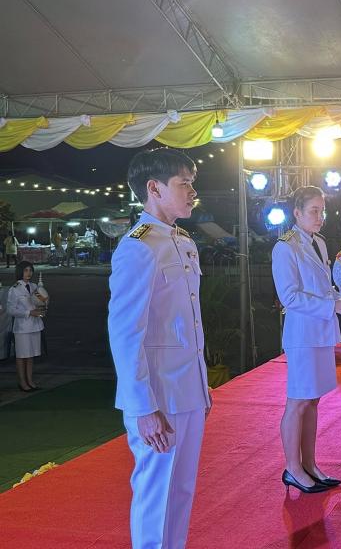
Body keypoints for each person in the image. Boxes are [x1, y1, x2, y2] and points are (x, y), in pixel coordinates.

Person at [108, 148, 211, 549]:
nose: (193, 192)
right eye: (184, 184)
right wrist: (141, 407)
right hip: (158, 397)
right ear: (154, 188)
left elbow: (188, 323)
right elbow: (125, 333)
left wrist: (201, 385)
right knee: (156, 495)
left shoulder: (182, 241)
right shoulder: (139, 246)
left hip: (187, 389)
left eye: (192, 183)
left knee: (181, 491)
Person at [272, 186, 341, 493]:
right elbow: (289, 296)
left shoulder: (319, 243)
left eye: (322, 210)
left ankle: (310, 465)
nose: (320, 217)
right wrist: (334, 306)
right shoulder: (285, 247)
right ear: (296, 213)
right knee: (298, 401)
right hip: (302, 334)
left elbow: (324, 288)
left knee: (313, 400)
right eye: (314, 211)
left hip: (321, 331)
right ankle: (293, 468)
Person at [7, 260, 46, 392]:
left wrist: (43, 307)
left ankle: (30, 381)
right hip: (22, 328)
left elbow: (42, 301)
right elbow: (11, 310)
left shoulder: (35, 286)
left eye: (30, 270)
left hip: (35, 325)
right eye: (26, 270)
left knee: (31, 355)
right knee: (22, 355)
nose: (29, 273)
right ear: (20, 272)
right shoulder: (15, 289)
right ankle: (22, 382)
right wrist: (29, 313)